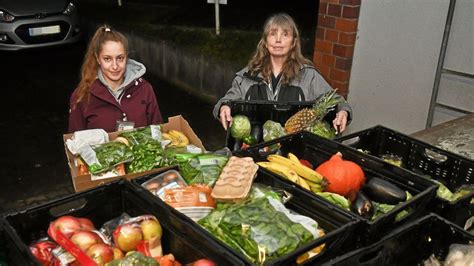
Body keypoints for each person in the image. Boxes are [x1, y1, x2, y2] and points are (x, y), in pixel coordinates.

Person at [213, 13, 352, 133]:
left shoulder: (308, 76)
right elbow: (228, 99)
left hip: (293, 153)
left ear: (293, 43)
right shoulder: (247, 76)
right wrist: (224, 107)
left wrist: (342, 111)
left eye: (285, 35)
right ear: (265, 42)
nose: (278, 40)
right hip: (253, 148)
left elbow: (336, 100)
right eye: (273, 34)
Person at [68, 24, 163, 133]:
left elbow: (157, 131)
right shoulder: (82, 96)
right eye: (107, 59)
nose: (115, 66)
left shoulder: (144, 89)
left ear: (126, 57)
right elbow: (74, 142)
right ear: (98, 58)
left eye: (120, 58)